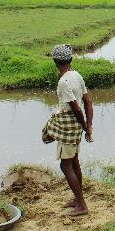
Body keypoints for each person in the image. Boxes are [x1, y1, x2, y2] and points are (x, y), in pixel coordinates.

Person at [42, 44, 93, 217]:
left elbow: (77, 109)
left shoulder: (63, 82)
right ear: (70, 59)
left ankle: (82, 205)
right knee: (74, 162)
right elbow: (88, 102)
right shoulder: (76, 75)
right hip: (76, 127)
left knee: (65, 166)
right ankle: (78, 199)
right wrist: (88, 127)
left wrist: (86, 127)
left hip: (69, 127)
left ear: (55, 62)